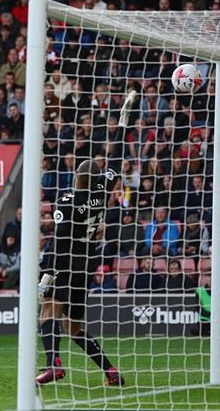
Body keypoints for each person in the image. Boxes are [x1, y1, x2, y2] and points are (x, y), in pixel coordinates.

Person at [35, 92, 138, 386]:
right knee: (75, 327)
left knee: (48, 312)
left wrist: (47, 273)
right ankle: (111, 372)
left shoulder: (67, 202)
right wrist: (123, 125)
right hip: (86, 264)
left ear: (77, 179)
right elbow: (115, 161)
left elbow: (60, 240)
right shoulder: (102, 193)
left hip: (66, 263)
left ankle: (53, 364)